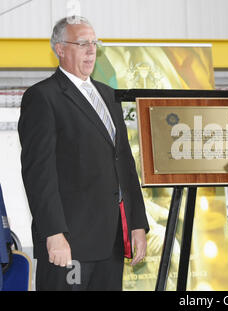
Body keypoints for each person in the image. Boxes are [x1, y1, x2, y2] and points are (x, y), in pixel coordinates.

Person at [18, 16, 149, 291]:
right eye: (82, 43)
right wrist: (53, 233)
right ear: (60, 49)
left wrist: (137, 224)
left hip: (111, 242)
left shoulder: (108, 96)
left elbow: (124, 163)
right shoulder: (43, 97)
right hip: (69, 244)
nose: (92, 50)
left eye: (94, 43)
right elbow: (38, 173)